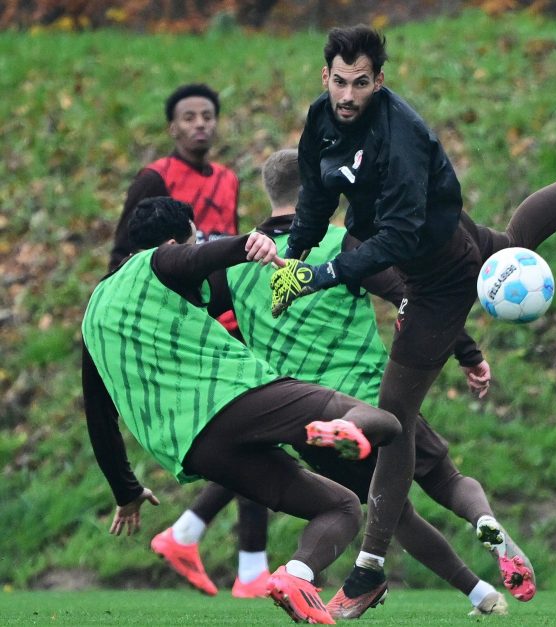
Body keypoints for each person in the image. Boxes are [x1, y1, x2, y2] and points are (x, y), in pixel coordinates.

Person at [268, 24, 556, 618]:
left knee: (396, 422)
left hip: (437, 275)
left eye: (362, 83)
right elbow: (315, 201)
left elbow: (398, 236)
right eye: (340, 81)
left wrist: (320, 274)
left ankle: (368, 568)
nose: (349, 94)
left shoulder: (403, 135)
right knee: (513, 239)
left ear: (380, 82)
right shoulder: (323, 117)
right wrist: (298, 254)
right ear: (325, 76)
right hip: (443, 244)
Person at [151, 149, 522, 616]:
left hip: (302, 419)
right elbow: (414, 296)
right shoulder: (342, 244)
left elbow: (204, 314)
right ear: (313, 192)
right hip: (367, 402)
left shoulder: (237, 262)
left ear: (270, 192)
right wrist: (468, 353)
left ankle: (482, 595)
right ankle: (484, 521)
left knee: (391, 511)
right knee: (444, 479)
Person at [81, 196, 402, 624]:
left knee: (341, 507)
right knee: (390, 423)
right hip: (238, 397)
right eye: (192, 239)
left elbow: (98, 415)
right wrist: (248, 244)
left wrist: (126, 491)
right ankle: (341, 426)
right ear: (177, 241)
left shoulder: (93, 315)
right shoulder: (161, 261)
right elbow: (198, 256)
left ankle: (297, 576)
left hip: (194, 449)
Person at [108, 83, 240, 332]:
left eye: (207, 116)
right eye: (189, 118)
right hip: (174, 310)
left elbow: (230, 237)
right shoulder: (155, 177)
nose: (200, 123)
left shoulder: (228, 178)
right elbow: (124, 250)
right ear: (173, 128)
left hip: (224, 313)